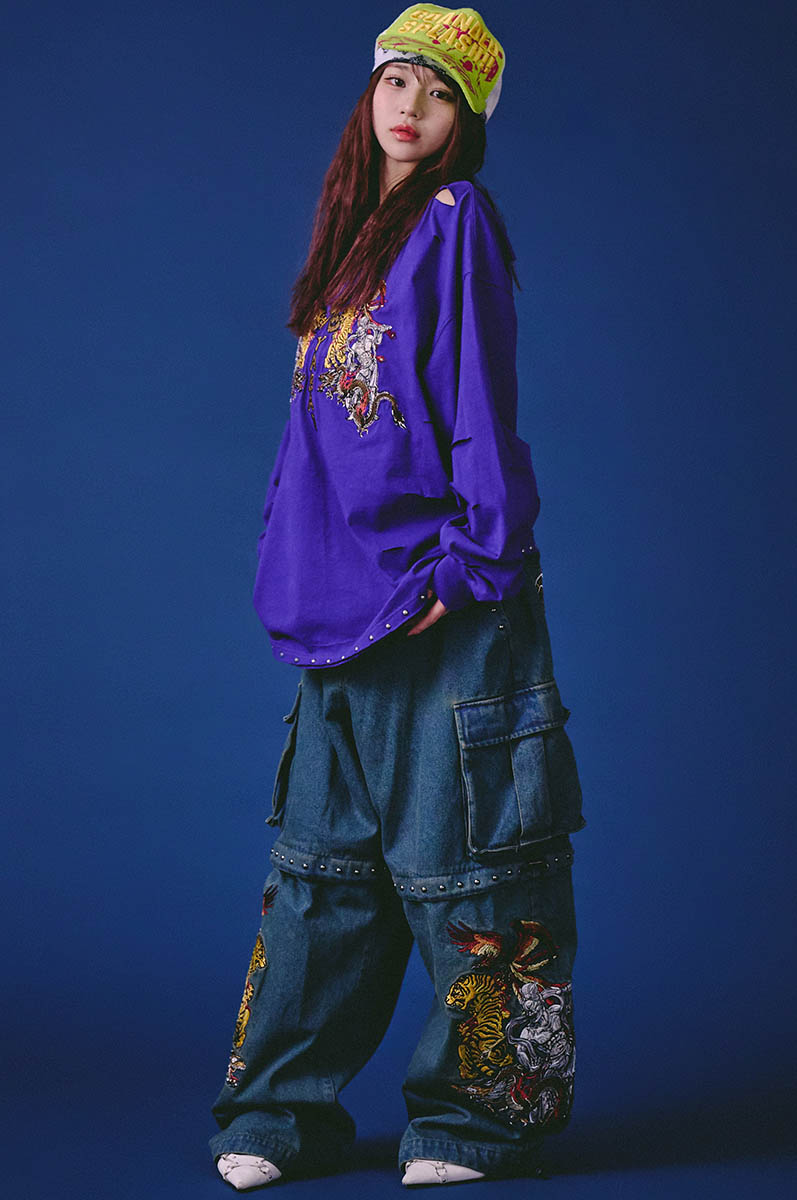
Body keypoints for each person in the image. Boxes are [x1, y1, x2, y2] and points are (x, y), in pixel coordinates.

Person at [208, 5, 587, 1190]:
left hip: (438, 605)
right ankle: (278, 1116)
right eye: (395, 79)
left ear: (464, 119)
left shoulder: (452, 217)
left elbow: (478, 398)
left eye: (438, 90)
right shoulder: (351, 245)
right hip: (340, 614)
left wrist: (468, 565)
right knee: (320, 875)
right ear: (368, 94)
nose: (410, 103)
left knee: (470, 867)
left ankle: (477, 1124)